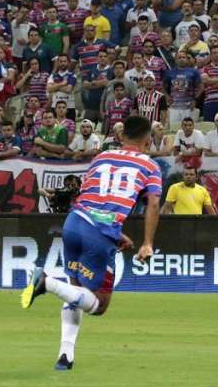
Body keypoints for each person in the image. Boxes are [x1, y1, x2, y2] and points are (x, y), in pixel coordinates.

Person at [20, 116, 162, 372]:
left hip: (74, 223)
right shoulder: (150, 165)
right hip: (98, 233)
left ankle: (65, 356)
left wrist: (117, 233)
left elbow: (89, 195)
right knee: (99, 304)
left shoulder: (101, 157)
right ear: (148, 140)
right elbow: (153, 202)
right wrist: (147, 243)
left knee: (75, 291)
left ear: (121, 136)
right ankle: (45, 282)